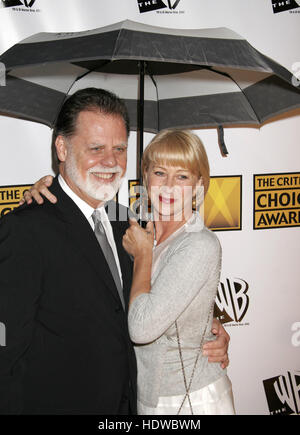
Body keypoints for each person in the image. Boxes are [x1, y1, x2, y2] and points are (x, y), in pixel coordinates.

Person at [13, 88, 230, 414]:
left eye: (119, 149)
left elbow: (155, 304)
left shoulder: (128, 228)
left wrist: (207, 327)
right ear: (62, 147)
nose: (110, 161)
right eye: (96, 148)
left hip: (165, 402)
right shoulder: (30, 228)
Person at [122, 129, 235, 415]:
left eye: (182, 176)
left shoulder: (199, 243)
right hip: (146, 394)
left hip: (190, 400)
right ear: (145, 176)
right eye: (160, 172)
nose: (169, 186)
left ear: (199, 184)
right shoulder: (136, 234)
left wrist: (144, 256)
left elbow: (142, 327)